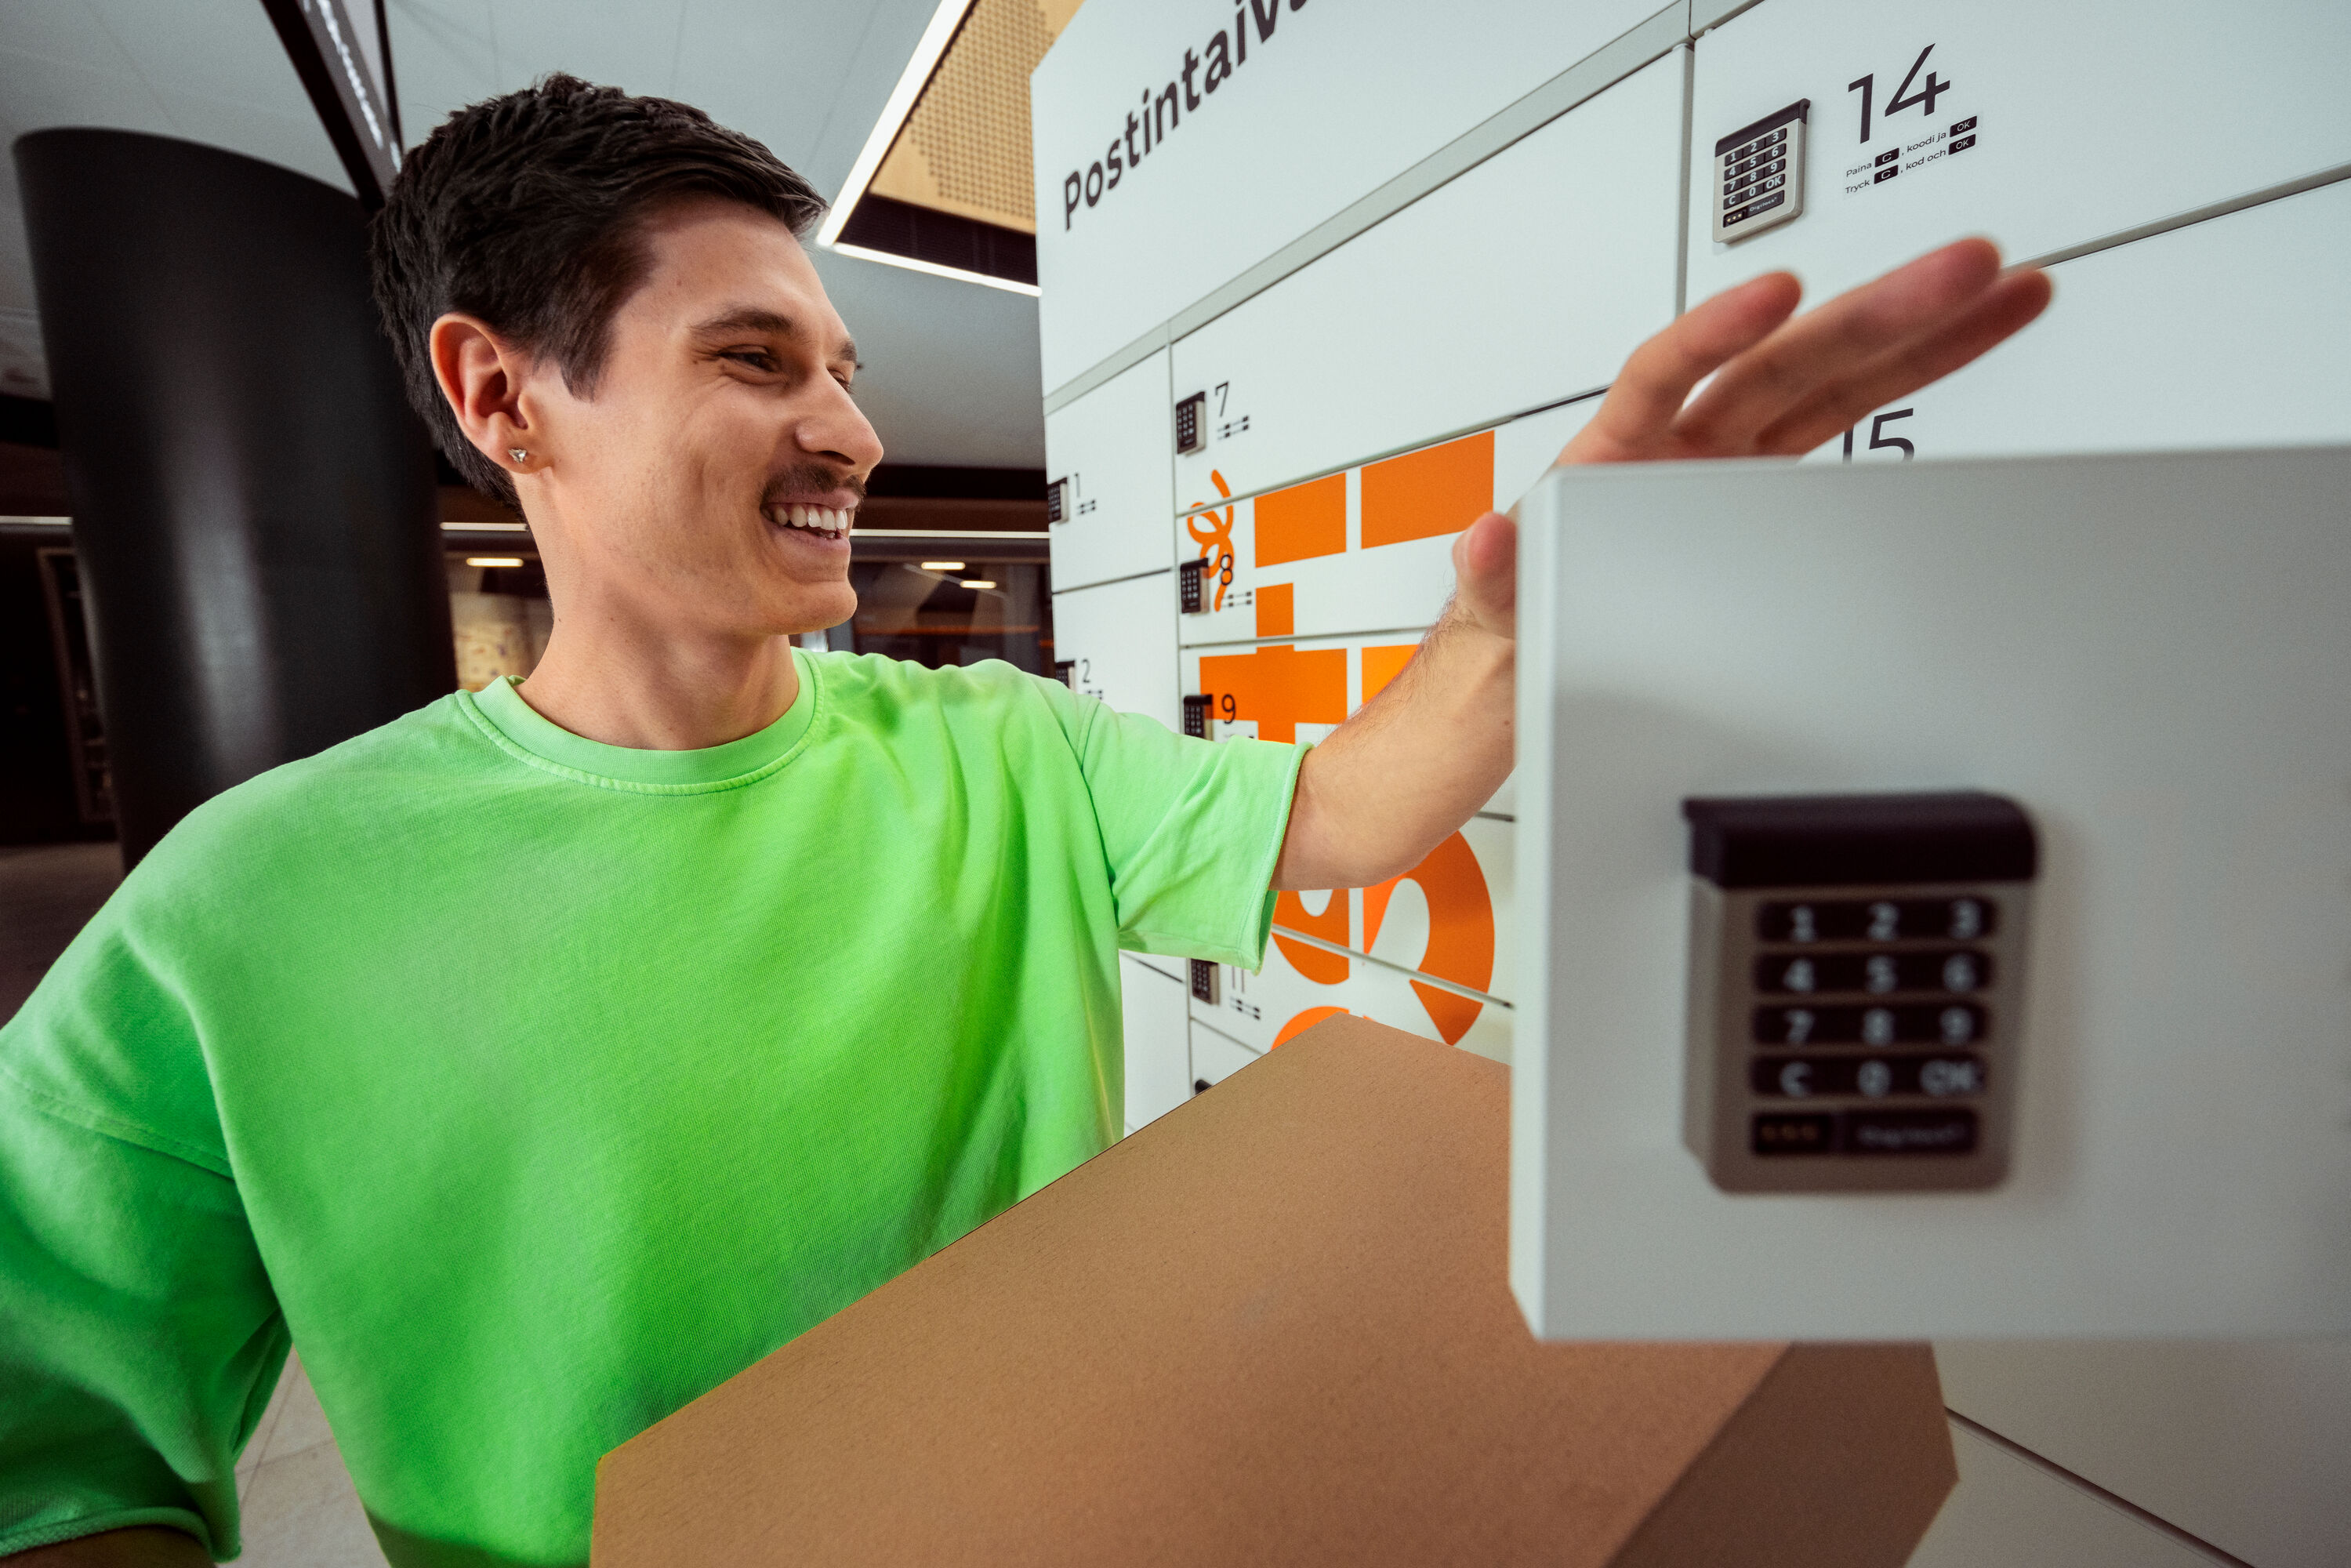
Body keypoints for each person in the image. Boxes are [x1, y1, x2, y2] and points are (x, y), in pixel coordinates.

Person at [0, 74, 2049, 1568]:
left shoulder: (1002, 750)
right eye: (752, 359)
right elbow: (57, 1466)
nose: (853, 430)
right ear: (505, 395)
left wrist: (1526, 636)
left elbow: (1336, 820)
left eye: (845, 364)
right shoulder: (242, 909)